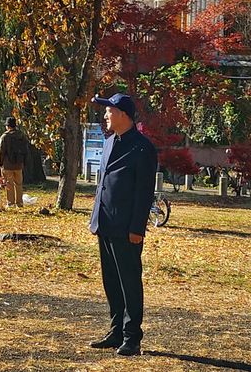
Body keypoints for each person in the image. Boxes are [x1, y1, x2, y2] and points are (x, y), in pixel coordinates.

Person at [89, 92, 158, 358]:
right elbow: (104, 184)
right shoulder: (109, 143)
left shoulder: (142, 148)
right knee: (111, 281)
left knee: (129, 281)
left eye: (109, 110)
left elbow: (144, 192)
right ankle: (116, 331)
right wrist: (95, 217)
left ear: (124, 115)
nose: (105, 114)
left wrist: (137, 229)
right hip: (104, 223)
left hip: (126, 228)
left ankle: (132, 337)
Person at [0, 116, 28, 208]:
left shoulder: (5, 136)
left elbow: (1, 151)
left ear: (7, 126)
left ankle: (10, 203)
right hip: (19, 164)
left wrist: (0, 163)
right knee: (19, 184)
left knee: (9, 184)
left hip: (8, 165)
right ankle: (19, 203)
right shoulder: (21, 135)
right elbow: (26, 149)